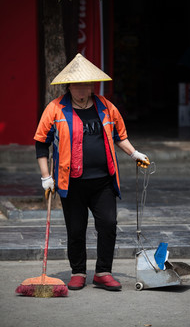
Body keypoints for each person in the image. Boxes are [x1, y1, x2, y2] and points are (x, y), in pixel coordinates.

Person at [34, 53, 150, 291]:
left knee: (108, 224)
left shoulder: (106, 106)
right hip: (71, 182)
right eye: (77, 85)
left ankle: (103, 272)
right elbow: (41, 144)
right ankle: (77, 272)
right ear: (69, 86)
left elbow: (120, 136)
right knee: (75, 229)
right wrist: (46, 177)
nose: (82, 89)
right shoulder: (55, 109)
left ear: (91, 86)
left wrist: (134, 153)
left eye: (86, 84)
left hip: (103, 181)